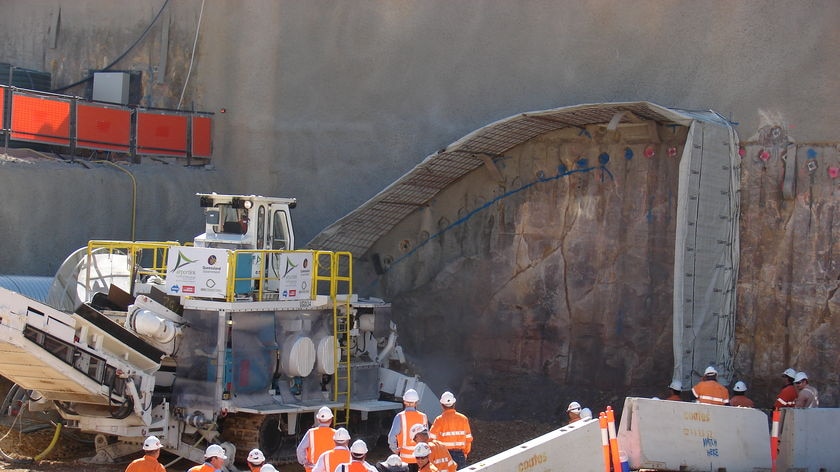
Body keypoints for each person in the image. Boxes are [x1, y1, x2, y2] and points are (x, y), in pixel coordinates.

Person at [429, 391, 472, 469]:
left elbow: (431, 439)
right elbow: (468, 439)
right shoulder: (463, 419)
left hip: (444, 455)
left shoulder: (439, 420)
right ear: (454, 404)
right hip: (460, 455)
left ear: (442, 405)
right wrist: (465, 453)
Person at [388, 388, 428, 471]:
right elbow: (427, 437)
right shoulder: (423, 417)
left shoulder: (400, 416)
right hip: (421, 459)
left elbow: (391, 436)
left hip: (405, 460)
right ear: (416, 402)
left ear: (404, 401)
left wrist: (395, 450)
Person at [297, 406, 337, 472]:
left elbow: (300, 449)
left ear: (318, 419)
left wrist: (304, 461)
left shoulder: (311, 433)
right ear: (331, 420)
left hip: (313, 469)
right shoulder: (336, 434)